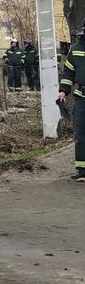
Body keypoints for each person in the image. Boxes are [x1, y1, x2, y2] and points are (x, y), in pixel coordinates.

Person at [58, 23, 85, 180]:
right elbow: (68, 72)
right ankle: (82, 170)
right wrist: (63, 91)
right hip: (82, 97)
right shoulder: (76, 49)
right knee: (81, 135)